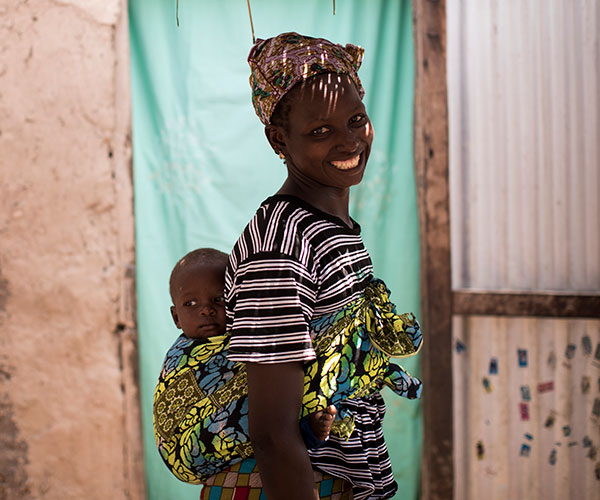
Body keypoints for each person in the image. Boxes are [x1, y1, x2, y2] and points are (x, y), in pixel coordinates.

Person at [216, 32, 423, 500]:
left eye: (355, 120)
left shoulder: (332, 226)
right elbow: (272, 434)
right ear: (278, 139)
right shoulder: (281, 246)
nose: (349, 141)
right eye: (320, 131)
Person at [154, 248, 336, 483]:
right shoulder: (180, 359)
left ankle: (306, 428)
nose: (206, 309)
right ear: (176, 317)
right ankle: (304, 430)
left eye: (218, 299)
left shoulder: (251, 337)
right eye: (190, 303)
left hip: (258, 464)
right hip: (198, 453)